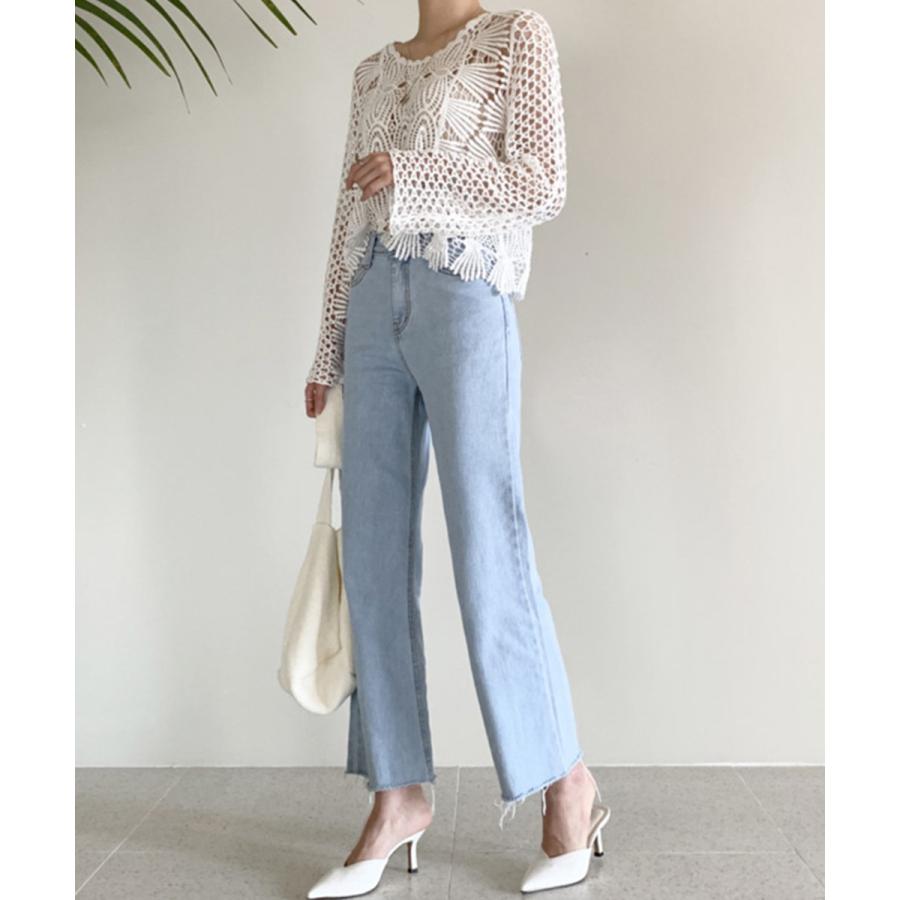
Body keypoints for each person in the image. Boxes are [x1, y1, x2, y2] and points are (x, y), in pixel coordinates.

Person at [303, 3, 610, 896]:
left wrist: (416, 172)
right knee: (372, 555)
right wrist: (326, 348)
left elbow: (542, 185)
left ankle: (569, 784)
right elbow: (348, 216)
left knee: (488, 546)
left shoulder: (517, 37)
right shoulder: (372, 72)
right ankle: (397, 793)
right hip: (372, 306)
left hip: (463, 297)